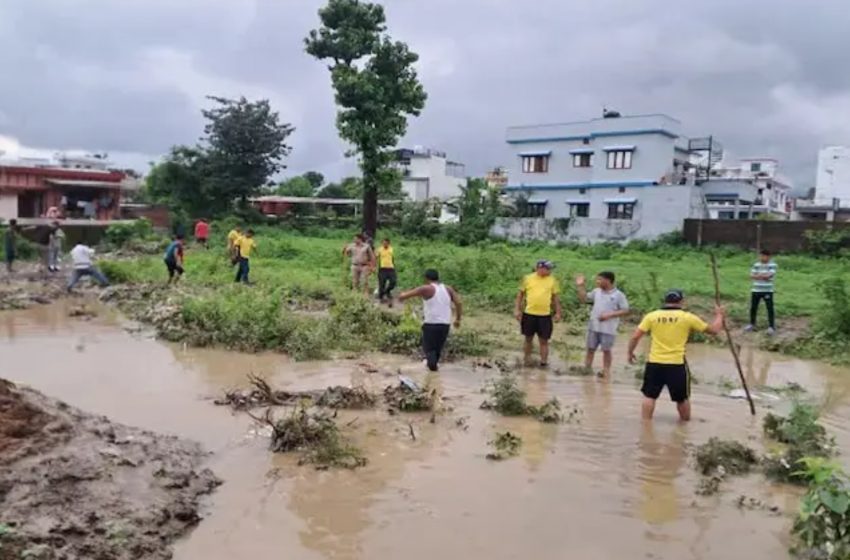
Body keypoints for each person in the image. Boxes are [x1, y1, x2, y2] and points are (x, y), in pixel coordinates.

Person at [627, 290, 724, 422]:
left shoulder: (652, 316)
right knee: (681, 398)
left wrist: (630, 352)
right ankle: (685, 425)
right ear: (681, 301)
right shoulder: (687, 317)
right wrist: (719, 315)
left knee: (649, 396)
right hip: (676, 364)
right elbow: (714, 330)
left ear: (665, 300)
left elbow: (635, 336)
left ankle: (646, 424)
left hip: (655, 362)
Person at [399, 269, 462, 372]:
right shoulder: (448, 289)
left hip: (431, 325)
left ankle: (432, 373)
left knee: (429, 350)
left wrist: (400, 296)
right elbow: (459, 303)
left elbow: (404, 296)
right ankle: (434, 373)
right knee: (437, 350)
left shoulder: (426, 289)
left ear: (426, 278)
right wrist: (458, 319)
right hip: (445, 325)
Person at [576, 271, 630, 377]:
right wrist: (581, 286)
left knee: (606, 350)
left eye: (600, 279)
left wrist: (609, 315)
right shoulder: (596, 291)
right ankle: (587, 369)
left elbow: (625, 310)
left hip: (608, 329)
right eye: (597, 279)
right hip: (593, 326)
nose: (597, 282)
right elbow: (583, 299)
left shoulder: (618, 295)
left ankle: (605, 371)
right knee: (590, 349)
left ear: (608, 280)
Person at [515, 260, 562, 367]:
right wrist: (517, 310)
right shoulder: (527, 278)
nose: (550, 271)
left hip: (545, 315)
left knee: (544, 340)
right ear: (540, 268)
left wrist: (558, 313)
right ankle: (527, 360)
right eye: (548, 269)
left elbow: (555, 299)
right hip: (529, 314)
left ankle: (543, 362)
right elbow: (520, 296)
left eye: (550, 269)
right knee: (528, 338)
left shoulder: (552, 280)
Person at [745, 249, 777, 335]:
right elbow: (752, 276)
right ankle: (752, 324)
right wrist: (762, 276)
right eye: (761, 255)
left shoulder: (772, 265)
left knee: (769, 308)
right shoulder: (756, 265)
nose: (762, 257)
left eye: (764, 256)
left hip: (767, 290)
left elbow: (769, 275)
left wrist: (758, 276)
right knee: (753, 308)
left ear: (769, 257)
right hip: (756, 290)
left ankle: (771, 326)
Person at [376, 238, 397, 306]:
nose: (384, 244)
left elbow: (392, 258)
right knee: (382, 283)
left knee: (393, 282)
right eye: (383, 243)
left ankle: (387, 291)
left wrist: (394, 266)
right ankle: (381, 297)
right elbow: (375, 257)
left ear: (389, 243)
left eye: (386, 243)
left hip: (391, 268)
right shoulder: (379, 249)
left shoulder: (391, 249)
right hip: (382, 269)